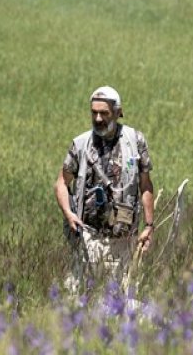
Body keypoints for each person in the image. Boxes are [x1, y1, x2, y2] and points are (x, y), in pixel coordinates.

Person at [54, 86, 155, 290]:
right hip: (88, 238)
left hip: (124, 240)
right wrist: (68, 213)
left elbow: (145, 185)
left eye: (104, 113)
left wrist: (149, 226)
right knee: (81, 297)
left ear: (118, 113)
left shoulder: (135, 141)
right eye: (94, 113)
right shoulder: (81, 144)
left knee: (121, 299)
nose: (98, 119)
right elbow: (62, 183)